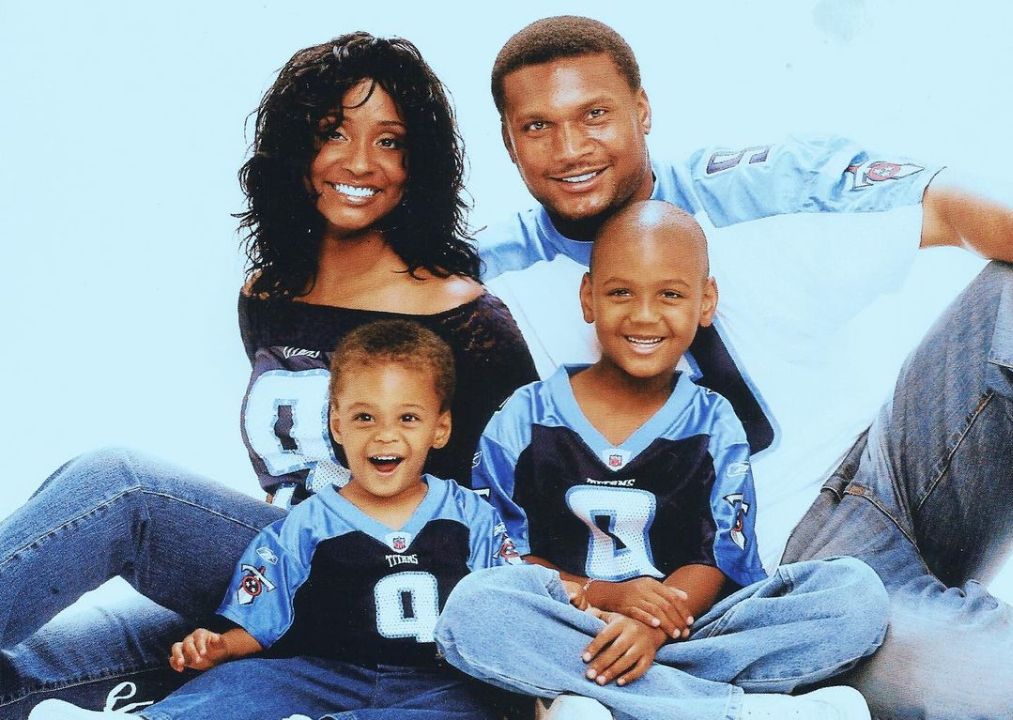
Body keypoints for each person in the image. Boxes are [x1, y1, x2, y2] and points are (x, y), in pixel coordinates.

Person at [474, 15, 1013, 720]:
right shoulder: (487, 280)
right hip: (783, 584)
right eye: (538, 127)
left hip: (890, 468)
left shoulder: (751, 190)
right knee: (988, 690)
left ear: (642, 109)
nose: (571, 148)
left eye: (594, 114)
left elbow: (957, 206)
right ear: (508, 145)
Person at [0, 33, 536, 719]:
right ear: (296, 147)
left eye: (391, 141)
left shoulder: (465, 320)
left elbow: (523, 515)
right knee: (21, 676)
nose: (360, 162)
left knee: (122, 486)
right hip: (287, 575)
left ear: (418, 164)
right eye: (333, 131)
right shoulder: (270, 295)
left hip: (403, 604)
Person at [437, 201, 888, 720]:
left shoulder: (713, 422)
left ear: (706, 301)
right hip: (575, 621)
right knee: (473, 611)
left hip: (688, 627)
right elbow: (504, 553)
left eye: (670, 294)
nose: (644, 314)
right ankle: (735, 711)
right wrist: (610, 596)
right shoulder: (524, 417)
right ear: (588, 297)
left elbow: (715, 556)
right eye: (621, 292)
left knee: (853, 594)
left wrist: (652, 628)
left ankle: (605, 699)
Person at [30, 320, 519, 720]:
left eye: (407, 418)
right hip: (326, 672)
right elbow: (262, 619)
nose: (384, 436)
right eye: (365, 418)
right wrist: (218, 647)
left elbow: (506, 603)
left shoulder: (470, 516)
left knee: (469, 709)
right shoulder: (306, 523)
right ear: (336, 425)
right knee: (242, 683)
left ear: (441, 428)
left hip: (438, 683)